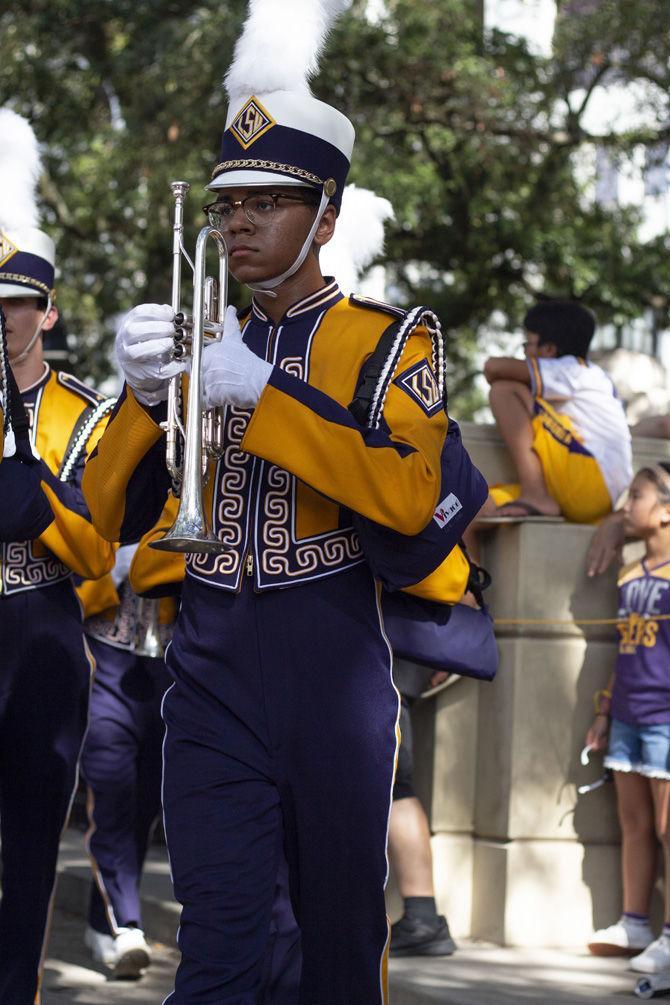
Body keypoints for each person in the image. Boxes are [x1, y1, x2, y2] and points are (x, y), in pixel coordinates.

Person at [82, 1, 447, 1000]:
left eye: (268, 202)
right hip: (207, 657)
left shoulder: (388, 341)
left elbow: (410, 497)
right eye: (226, 204)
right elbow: (104, 512)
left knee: (332, 942)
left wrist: (269, 397)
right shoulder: (196, 341)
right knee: (220, 941)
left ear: (325, 216)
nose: (238, 222)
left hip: (326, 653)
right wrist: (140, 397)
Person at [0, 109, 115, 1003]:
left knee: (34, 828)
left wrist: (38, 505)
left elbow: (103, 558)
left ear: (49, 310)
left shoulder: (88, 414)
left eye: (17, 304)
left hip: (41, 624)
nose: (4, 319)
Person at [76, 495, 181, 979]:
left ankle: (108, 921)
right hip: (107, 657)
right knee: (112, 794)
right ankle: (126, 925)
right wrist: (110, 568)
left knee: (144, 806)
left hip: (167, 666)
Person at [585, 463, 670, 971]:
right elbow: (622, 649)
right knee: (634, 824)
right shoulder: (629, 573)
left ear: (666, 510)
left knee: (667, 828)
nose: (625, 508)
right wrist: (603, 711)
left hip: (665, 716)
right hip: (627, 714)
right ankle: (635, 920)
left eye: (635, 497)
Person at [478, 299, 632, 523]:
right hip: (588, 494)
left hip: (590, 481)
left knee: (504, 391)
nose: (524, 352)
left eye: (527, 344)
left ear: (549, 349)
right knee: (473, 504)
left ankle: (535, 494)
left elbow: (494, 368)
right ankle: (470, 560)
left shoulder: (572, 369)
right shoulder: (591, 376)